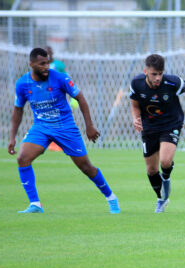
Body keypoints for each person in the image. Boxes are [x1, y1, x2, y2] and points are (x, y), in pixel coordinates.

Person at [8, 47, 120, 214]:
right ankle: (35, 204)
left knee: (86, 167)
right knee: (23, 158)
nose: (46, 67)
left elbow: (80, 98)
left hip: (65, 127)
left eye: (47, 63)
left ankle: (111, 198)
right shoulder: (23, 84)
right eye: (42, 64)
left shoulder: (60, 78)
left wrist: (89, 126)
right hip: (41, 127)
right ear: (31, 64)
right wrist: (12, 137)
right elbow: (18, 109)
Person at [129, 54, 185, 213]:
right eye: (154, 74)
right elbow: (134, 105)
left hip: (171, 124)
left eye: (160, 73)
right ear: (146, 71)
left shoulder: (172, 82)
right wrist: (135, 118)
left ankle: (166, 177)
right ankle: (161, 199)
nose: (158, 77)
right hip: (149, 127)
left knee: (165, 162)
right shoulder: (136, 84)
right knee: (151, 170)